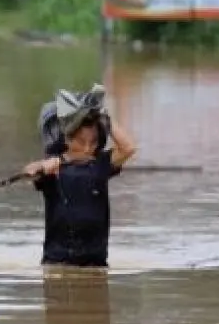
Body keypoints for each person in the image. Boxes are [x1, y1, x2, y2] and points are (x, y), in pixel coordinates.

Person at [23, 111, 136, 267]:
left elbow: (128, 148)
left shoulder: (100, 165)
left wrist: (104, 116)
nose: (87, 148)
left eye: (93, 142)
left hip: (96, 261)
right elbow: (29, 172)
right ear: (67, 139)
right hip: (57, 261)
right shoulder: (52, 168)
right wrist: (41, 167)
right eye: (81, 142)